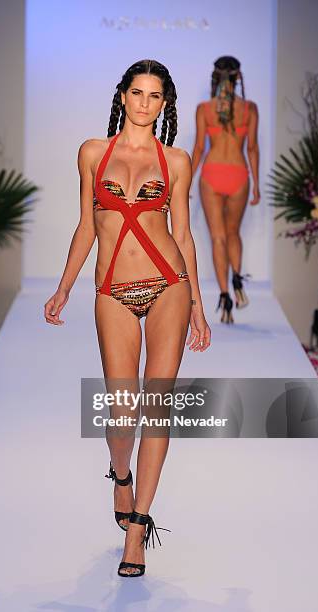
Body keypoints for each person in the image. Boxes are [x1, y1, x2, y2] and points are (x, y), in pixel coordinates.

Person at [44, 59, 210, 577]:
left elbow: (182, 235)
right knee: (121, 413)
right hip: (112, 287)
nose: (144, 102)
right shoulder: (94, 152)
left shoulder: (177, 160)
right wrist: (64, 286)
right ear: (121, 97)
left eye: (154, 95)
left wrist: (199, 306)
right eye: (136, 93)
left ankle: (138, 528)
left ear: (165, 104)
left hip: (169, 286)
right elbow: (86, 226)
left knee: (156, 407)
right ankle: (121, 475)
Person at [191, 56, 260, 323]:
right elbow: (252, 148)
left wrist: (186, 179)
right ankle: (237, 279)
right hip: (238, 175)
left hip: (211, 175)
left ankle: (224, 295)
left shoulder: (204, 109)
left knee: (218, 237)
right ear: (238, 77)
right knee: (233, 233)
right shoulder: (249, 109)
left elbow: (198, 148)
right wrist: (255, 185)